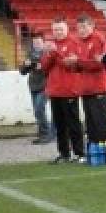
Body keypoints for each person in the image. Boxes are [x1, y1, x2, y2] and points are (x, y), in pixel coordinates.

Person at [39, 18, 85, 163]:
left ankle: (79, 153)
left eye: (60, 29)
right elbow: (44, 68)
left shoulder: (73, 43)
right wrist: (49, 54)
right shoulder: (51, 46)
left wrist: (55, 53)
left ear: (67, 29)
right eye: (55, 30)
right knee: (59, 125)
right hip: (55, 90)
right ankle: (64, 153)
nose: (58, 32)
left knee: (73, 123)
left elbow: (69, 65)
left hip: (70, 89)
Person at [73, 13, 106, 147]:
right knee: (90, 123)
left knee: (102, 122)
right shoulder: (79, 42)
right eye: (79, 28)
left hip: (99, 88)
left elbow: (99, 64)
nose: (81, 30)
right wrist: (73, 64)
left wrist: (78, 62)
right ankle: (94, 151)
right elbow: (81, 66)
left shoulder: (98, 39)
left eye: (84, 27)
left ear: (92, 26)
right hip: (86, 89)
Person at [18, 30, 53, 144]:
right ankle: (45, 134)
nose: (36, 44)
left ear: (43, 42)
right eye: (34, 42)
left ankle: (46, 134)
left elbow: (51, 69)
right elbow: (22, 71)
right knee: (37, 111)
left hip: (45, 86)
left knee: (39, 109)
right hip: (33, 86)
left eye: (38, 42)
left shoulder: (48, 53)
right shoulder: (30, 54)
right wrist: (25, 65)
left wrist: (42, 67)